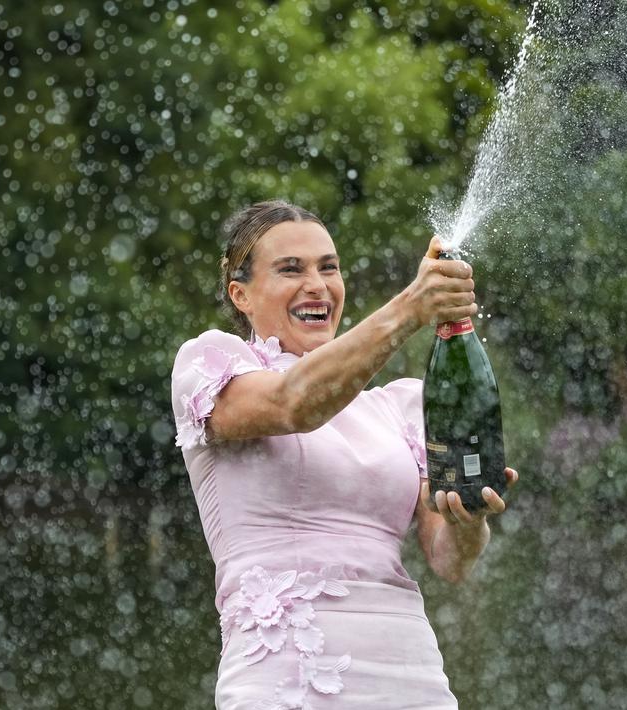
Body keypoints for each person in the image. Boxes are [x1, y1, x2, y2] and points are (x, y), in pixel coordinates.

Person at [171, 200, 518, 709]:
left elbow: (449, 561)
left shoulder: (397, 407)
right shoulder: (213, 365)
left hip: (409, 675)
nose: (317, 285)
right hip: (288, 674)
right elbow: (294, 404)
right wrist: (410, 308)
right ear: (239, 294)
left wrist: (467, 519)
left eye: (328, 268)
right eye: (291, 269)